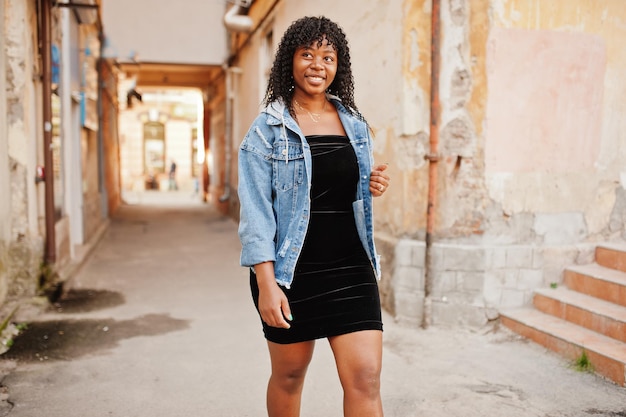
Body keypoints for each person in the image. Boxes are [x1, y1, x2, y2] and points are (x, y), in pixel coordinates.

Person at [237, 16, 390, 417]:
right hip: (291, 272)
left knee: (366, 378)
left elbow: (338, 183)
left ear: (339, 65)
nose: (317, 65)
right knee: (289, 377)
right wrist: (266, 284)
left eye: (328, 56)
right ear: (291, 60)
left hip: (350, 265)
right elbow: (256, 216)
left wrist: (366, 181)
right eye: (307, 54)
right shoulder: (266, 131)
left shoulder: (354, 123)